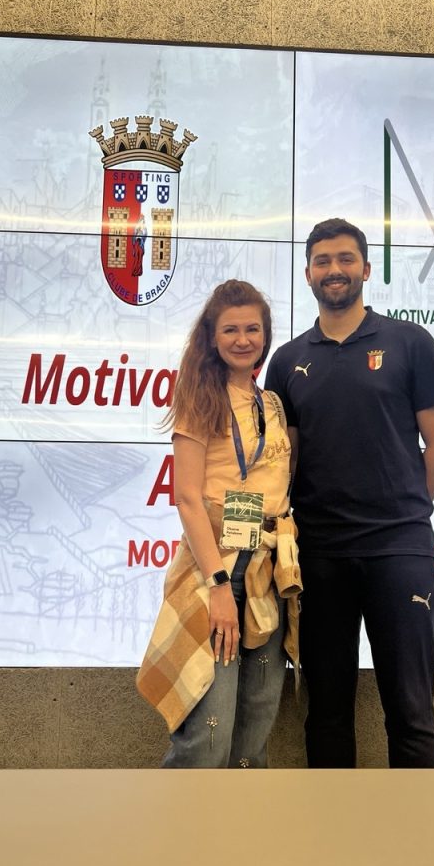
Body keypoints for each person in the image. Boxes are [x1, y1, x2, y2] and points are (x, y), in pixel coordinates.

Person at [265, 218, 434, 768]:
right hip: (319, 555)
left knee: (411, 712)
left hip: (400, 552)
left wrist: (402, 510)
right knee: (326, 713)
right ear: (307, 274)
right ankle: (333, 826)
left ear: (367, 269)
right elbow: (284, 461)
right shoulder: (287, 361)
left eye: (346, 259)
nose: (335, 270)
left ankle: (417, 825)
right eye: (323, 261)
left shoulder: (410, 343)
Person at [137, 279, 301, 767]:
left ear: (265, 336)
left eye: (253, 329)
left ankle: (241, 821)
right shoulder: (199, 398)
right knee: (209, 737)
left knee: (255, 729)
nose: (243, 339)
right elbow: (187, 498)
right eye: (230, 330)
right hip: (219, 569)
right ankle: (182, 821)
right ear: (212, 336)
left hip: (269, 570)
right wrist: (218, 585)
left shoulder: (272, 403)